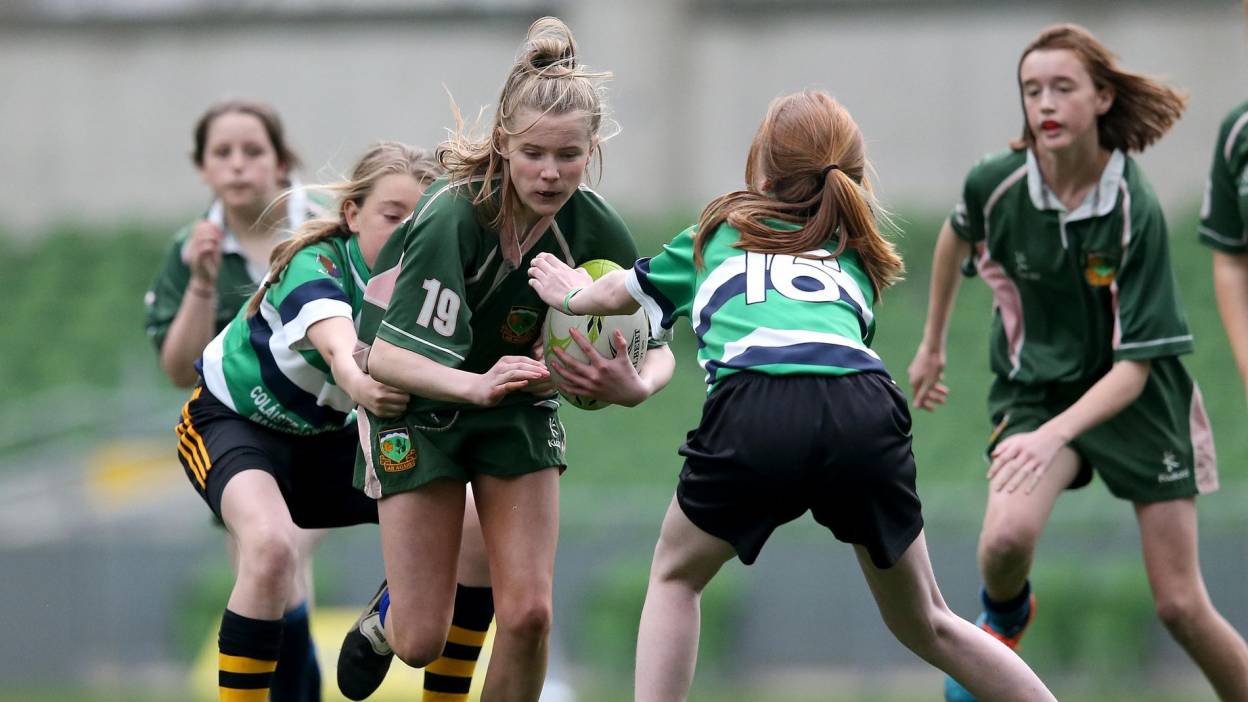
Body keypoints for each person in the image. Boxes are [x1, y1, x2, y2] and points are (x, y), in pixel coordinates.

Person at [529, 89, 1056, 702]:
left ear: (763, 168)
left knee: (676, 577)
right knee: (927, 620)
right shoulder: (855, 256)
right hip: (863, 403)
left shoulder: (716, 233)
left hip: (758, 405)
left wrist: (570, 293)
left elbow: (617, 292)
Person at [906, 24, 1248, 702]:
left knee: (1181, 606)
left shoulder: (1132, 205)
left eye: (1063, 87)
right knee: (1004, 542)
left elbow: (1134, 370)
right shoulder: (995, 183)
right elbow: (954, 237)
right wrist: (931, 343)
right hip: (1036, 392)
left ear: (1101, 98)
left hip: (1138, 403)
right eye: (1032, 90)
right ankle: (1005, 619)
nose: (1045, 104)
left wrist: (1051, 437)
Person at [340, 17, 675, 701]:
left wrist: (634, 386)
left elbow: (661, 346)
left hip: (517, 405)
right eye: (533, 154)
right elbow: (387, 359)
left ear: (591, 152)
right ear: (502, 144)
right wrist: (476, 383)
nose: (550, 172)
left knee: (529, 617)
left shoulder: (594, 225)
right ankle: (388, 616)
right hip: (416, 408)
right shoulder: (451, 216)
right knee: (420, 641)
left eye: (568, 155)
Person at [174, 141, 448, 702]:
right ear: (352, 214)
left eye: (419, 224)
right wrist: (363, 383)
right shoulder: (315, 263)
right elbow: (340, 348)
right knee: (272, 550)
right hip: (234, 423)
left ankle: (384, 623)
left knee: (468, 514)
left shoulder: (434, 287)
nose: (405, 235)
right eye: (391, 216)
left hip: (326, 440)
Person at [145, 99, 330, 701]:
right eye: (222, 153)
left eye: (253, 151)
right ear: (203, 168)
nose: (238, 164)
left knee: (279, 553)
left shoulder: (328, 232)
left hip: (329, 432)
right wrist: (201, 281)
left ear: (281, 161)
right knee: (272, 560)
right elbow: (179, 371)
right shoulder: (192, 248)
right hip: (243, 440)